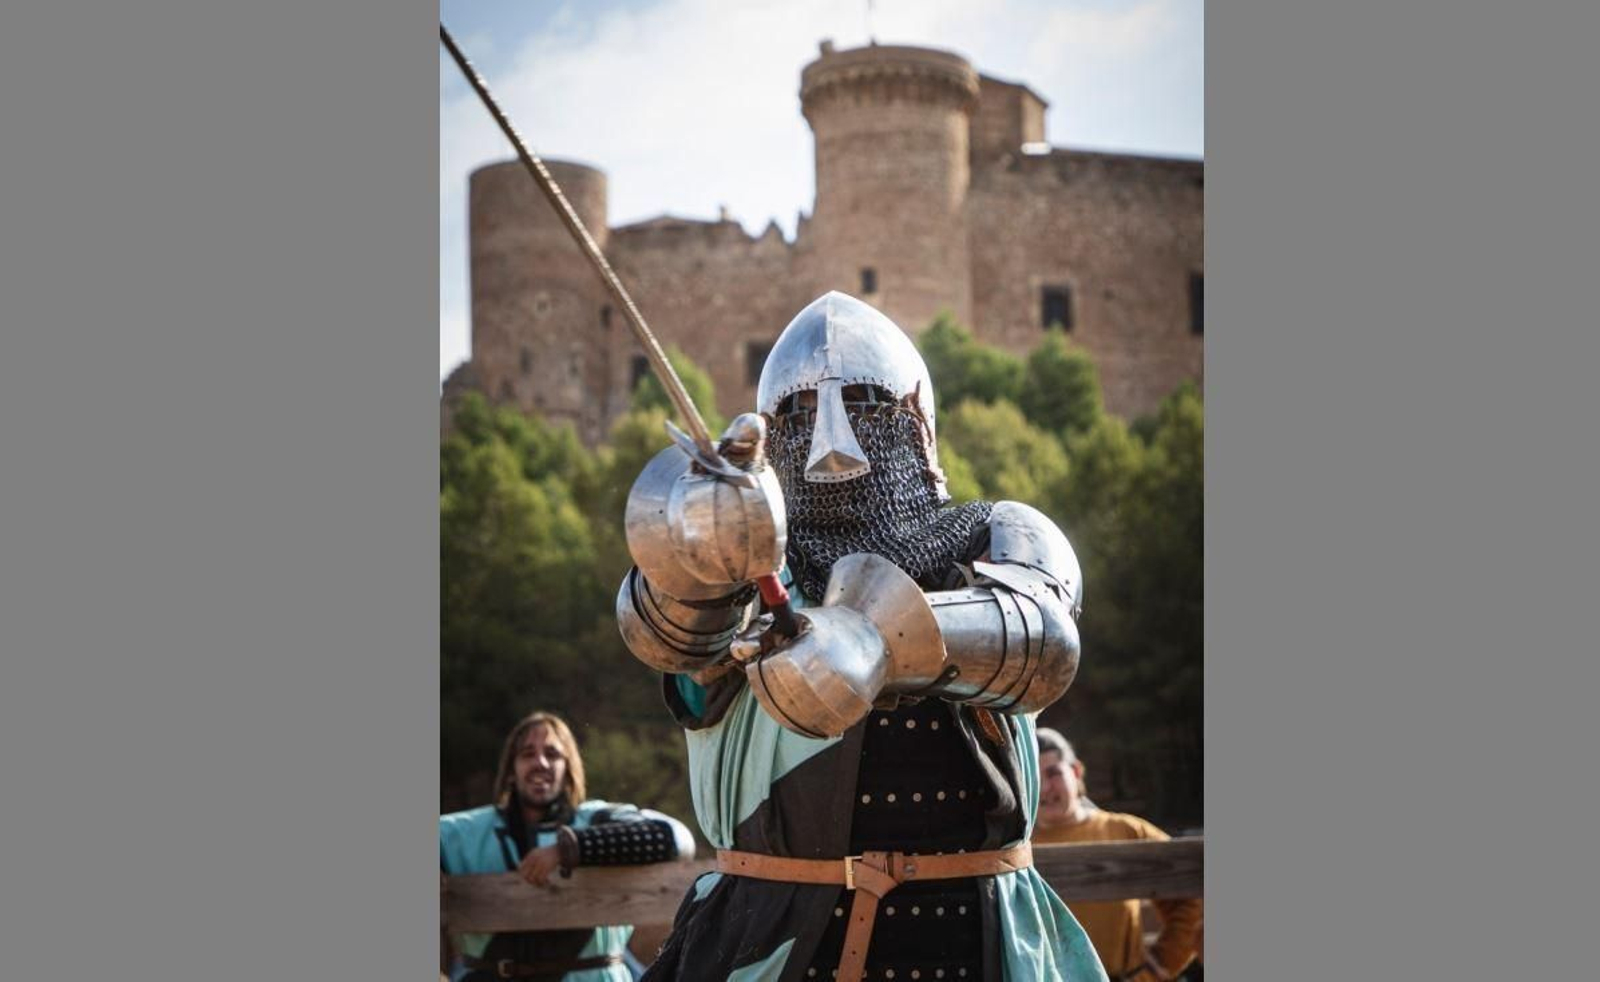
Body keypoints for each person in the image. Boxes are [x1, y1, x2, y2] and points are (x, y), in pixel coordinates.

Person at [615, 291, 1106, 981]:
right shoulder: (751, 567)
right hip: (781, 941)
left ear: (913, 421)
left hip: (977, 937)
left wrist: (871, 642)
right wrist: (700, 537)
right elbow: (669, 637)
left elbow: (1045, 648)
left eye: (867, 408)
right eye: (804, 413)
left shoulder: (994, 537)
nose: (834, 440)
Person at [440, 711, 696, 982]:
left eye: (552, 754)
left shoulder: (597, 819)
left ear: (568, 767)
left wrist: (572, 847)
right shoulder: (468, 832)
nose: (540, 762)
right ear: (511, 770)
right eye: (527, 754)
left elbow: (675, 838)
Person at [1032, 729, 1203, 982]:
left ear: (1076, 771)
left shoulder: (1127, 830)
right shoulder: (1014, 848)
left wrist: (1165, 962)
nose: (1045, 787)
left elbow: (1189, 891)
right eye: (1034, 776)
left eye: (1054, 773)